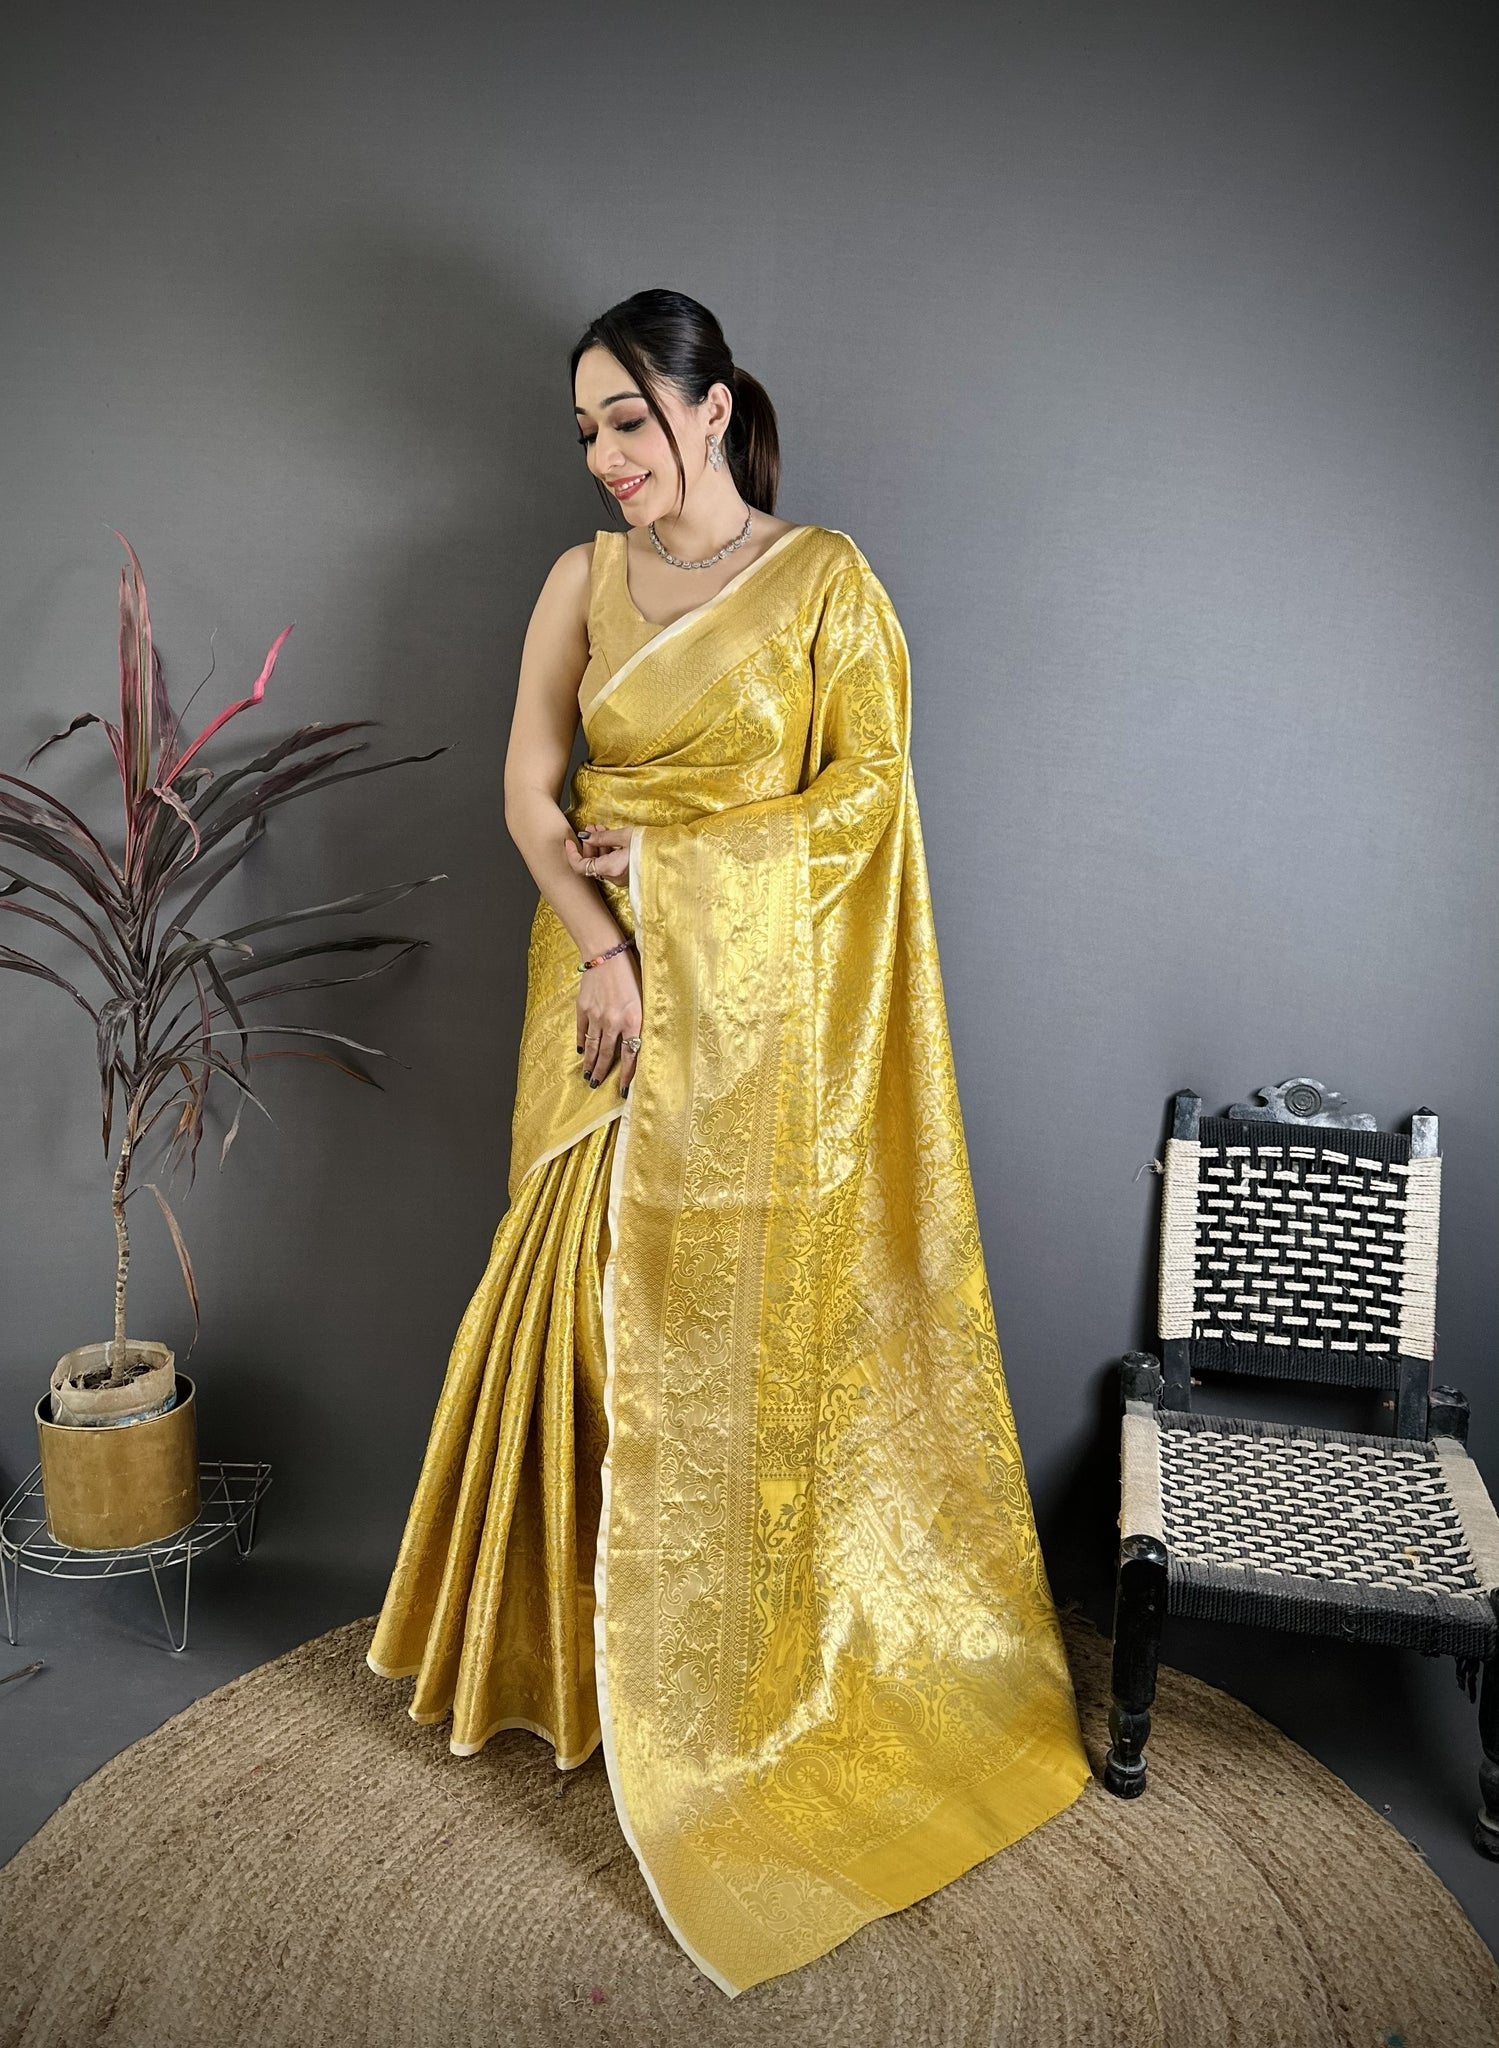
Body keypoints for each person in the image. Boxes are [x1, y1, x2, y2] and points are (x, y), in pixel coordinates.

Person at [367, 286, 1092, 1997]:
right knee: (577, 1311)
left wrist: (684, 879)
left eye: (628, 418)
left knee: (740, 1341)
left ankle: (737, 1682)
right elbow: (530, 790)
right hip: (602, 990)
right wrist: (608, 948)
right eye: (585, 431)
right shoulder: (579, 582)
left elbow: (868, 796)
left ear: (711, 406)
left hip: (764, 1017)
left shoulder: (826, 580)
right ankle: (574, 1670)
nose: (606, 456)